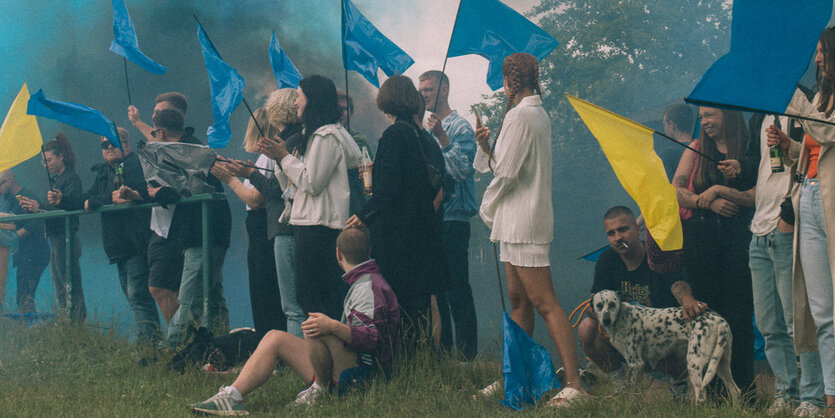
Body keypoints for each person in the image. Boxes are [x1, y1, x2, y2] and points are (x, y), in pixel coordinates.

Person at [472, 53, 587, 406]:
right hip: (515, 219)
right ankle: (516, 378)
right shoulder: (525, 113)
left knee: (544, 301)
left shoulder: (523, 115)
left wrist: (486, 205)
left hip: (524, 219)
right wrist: (485, 146)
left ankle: (575, 385)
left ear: (509, 82)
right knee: (519, 300)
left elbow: (504, 174)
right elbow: (505, 165)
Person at [190, 228, 400, 415]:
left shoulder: (367, 287)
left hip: (366, 375)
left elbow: (371, 341)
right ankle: (232, 396)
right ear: (369, 250)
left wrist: (332, 326)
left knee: (316, 325)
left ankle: (322, 390)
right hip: (350, 366)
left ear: (338, 254)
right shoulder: (365, 282)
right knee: (275, 337)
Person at [345, 75, 447, 348]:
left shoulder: (393, 135)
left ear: (387, 101)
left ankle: (403, 360)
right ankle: (428, 358)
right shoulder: (424, 138)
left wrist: (365, 214)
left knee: (398, 299)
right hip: (425, 232)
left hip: (398, 237)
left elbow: (388, 188)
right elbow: (441, 183)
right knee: (421, 303)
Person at [122, 109, 232, 348]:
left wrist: (155, 191)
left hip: (205, 231)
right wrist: (143, 194)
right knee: (212, 297)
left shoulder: (185, 152)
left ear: (160, 131)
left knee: (189, 297)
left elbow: (177, 190)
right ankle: (226, 347)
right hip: (202, 231)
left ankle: (172, 350)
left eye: (154, 131)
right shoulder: (188, 147)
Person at [768, 26, 835, 416]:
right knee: (822, 310)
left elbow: (827, 132)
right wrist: (789, 147)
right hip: (807, 197)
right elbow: (813, 153)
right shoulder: (821, 99)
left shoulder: (818, 106)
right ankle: (830, 401)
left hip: (830, 204)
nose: (817, 59)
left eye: (823, 51)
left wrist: (793, 94)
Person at [258, 75, 362, 321]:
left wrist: (283, 156)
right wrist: (281, 160)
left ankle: (330, 355)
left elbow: (312, 182)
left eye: (300, 96)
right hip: (314, 222)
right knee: (314, 297)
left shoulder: (326, 136)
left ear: (312, 101)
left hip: (319, 225)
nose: (296, 103)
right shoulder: (325, 134)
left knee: (313, 298)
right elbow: (294, 185)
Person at [578, 206, 706, 400]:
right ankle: (620, 382)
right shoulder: (607, 260)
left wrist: (688, 301)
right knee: (587, 328)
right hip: (625, 340)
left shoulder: (657, 254)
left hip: (661, 341)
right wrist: (595, 314)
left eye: (623, 229)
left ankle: (679, 383)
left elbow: (678, 284)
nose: (618, 237)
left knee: (672, 338)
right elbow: (595, 298)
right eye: (611, 233)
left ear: (638, 229)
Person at [673, 106, 757, 393]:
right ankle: (710, 393)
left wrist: (722, 192)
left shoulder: (749, 146)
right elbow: (676, 189)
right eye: (701, 117)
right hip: (702, 242)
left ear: (727, 115)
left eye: (710, 115)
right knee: (708, 314)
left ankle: (745, 391)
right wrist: (704, 201)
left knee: (739, 315)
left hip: (739, 241)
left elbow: (760, 193)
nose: (704, 122)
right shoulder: (696, 148)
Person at [51, 128, 161, 343]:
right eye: (104, 145)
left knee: (138, 295)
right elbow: (88, 198)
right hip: (118, 247)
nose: (109, 147)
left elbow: (135, 191)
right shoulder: (104, 173)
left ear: (126, 145)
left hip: (137, 242)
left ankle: (150, 346)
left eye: (113, 143)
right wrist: (62, 199)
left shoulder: (136, 165)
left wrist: (97, 201)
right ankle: (151, 344)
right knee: (133, 296)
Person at [748, 109, 824, 415]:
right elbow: (765, 171)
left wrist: (788, 215)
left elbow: (812, 163)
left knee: (798, 320)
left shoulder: (804, 108)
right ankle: (785, 394)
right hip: (757, 229)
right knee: (769, 325)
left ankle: (813, 397)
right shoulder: (760, 118)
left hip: (785, 226)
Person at [212, 103, 292, 339]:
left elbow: (256, 199)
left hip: (263, 229)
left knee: (265, 292)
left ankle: (272, 346)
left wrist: (230, 179)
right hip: (260, 231)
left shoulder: (268, 158)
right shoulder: (262, 159)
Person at [419, 70, 480, 359]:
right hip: (431, 218)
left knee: (457, 288)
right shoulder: (422, 127)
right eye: (421, 90)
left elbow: (461, 171)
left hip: (455, 217)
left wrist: (442, 137)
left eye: (428, 89)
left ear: (444, 90)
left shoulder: (460, 127)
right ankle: (442, 355)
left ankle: (467, 356)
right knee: (436, 290)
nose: (423, 95)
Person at [126, 92, 197, 326]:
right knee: (160, 287)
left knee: (166, 287)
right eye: (154, 112)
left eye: (159, 112)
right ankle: (183, 339)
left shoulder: (188, 145)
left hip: (181, 227)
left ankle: (187, 340)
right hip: (160, 226)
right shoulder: (160, 142)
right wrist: (137, 122)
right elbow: (157, 138)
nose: (154, 116)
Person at [18, 134, 86, 323]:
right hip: (57, 237)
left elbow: (67, 207)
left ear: (61, 156)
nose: (47, 164)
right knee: (59, 282)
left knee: (70, 283)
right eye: (44, 161)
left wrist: (38, 208)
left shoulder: (71, 179)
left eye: (49, 160)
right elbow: (52, 208)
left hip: (66, 236)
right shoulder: (59, 180)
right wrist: (37, 207)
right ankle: (67, 320)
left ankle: (76, 323)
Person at [0, 171, 50, 313]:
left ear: (8, 182)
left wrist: (16, 235)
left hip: (34, 254)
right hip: (23, 256)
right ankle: (27, 321)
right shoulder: (9, 201)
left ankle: (29, 324)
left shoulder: (27, 197)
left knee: (25, 296)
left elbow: (37, 221)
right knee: (22, 296)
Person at [337, 90, 373, 218]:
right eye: (336, 109)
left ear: (351, 113)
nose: (340, 113)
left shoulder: (358, 139)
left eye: (344, 109)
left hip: (355, 206)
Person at [658, 102, 695, 181]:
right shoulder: (703, 148)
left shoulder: (668, 154)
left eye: (665, 124)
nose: (665, 129)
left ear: (671, 124)